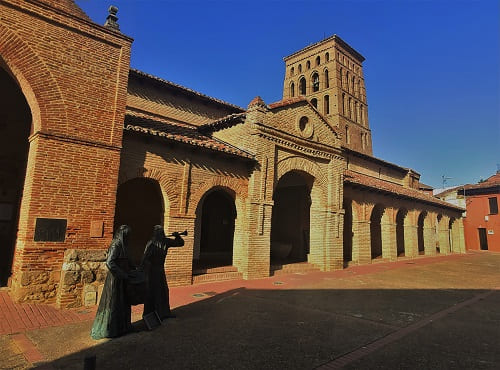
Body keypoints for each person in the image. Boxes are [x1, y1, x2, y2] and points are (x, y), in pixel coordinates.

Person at [91, 225, 134, 339]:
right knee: (114, 303)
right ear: (122, 234)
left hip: (122, 279)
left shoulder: (124, 245)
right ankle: (111, 329)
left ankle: (123, 327)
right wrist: (122, 274)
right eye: (126, 235)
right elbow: (110, 263)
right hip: (115, 279)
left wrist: (134, 269)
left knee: (123, 303)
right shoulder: (116, 244)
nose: (128, 237)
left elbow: (127, 260)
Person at [141, 225, 184, 320]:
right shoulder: (152, 243)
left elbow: (180, 243)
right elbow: (145, 258)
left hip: (159, 270)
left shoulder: (165, 241)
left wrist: (177, 236)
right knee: (153, 291)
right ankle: (151, 314)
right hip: (152, 271)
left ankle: (164, 312)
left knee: (163, 291)